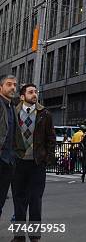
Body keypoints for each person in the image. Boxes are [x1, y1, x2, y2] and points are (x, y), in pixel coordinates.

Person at [12, 84, 56, 242]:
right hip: (18, 163)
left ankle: (35, 236)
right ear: (22, 96)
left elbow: (51, 139)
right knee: (19, 200)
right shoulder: (13, 112)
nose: (34, 94)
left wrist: (47, 159)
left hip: (37, 164)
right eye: (31, 92)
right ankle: (19, 236)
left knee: (36, 200)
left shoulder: (45, 114)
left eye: (36, 92)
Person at [0, 74, 25, 219]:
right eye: (9, 84)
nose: (13, 87)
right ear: (1, 87)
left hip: (8, 160)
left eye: (14, 85)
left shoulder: (11, 106)